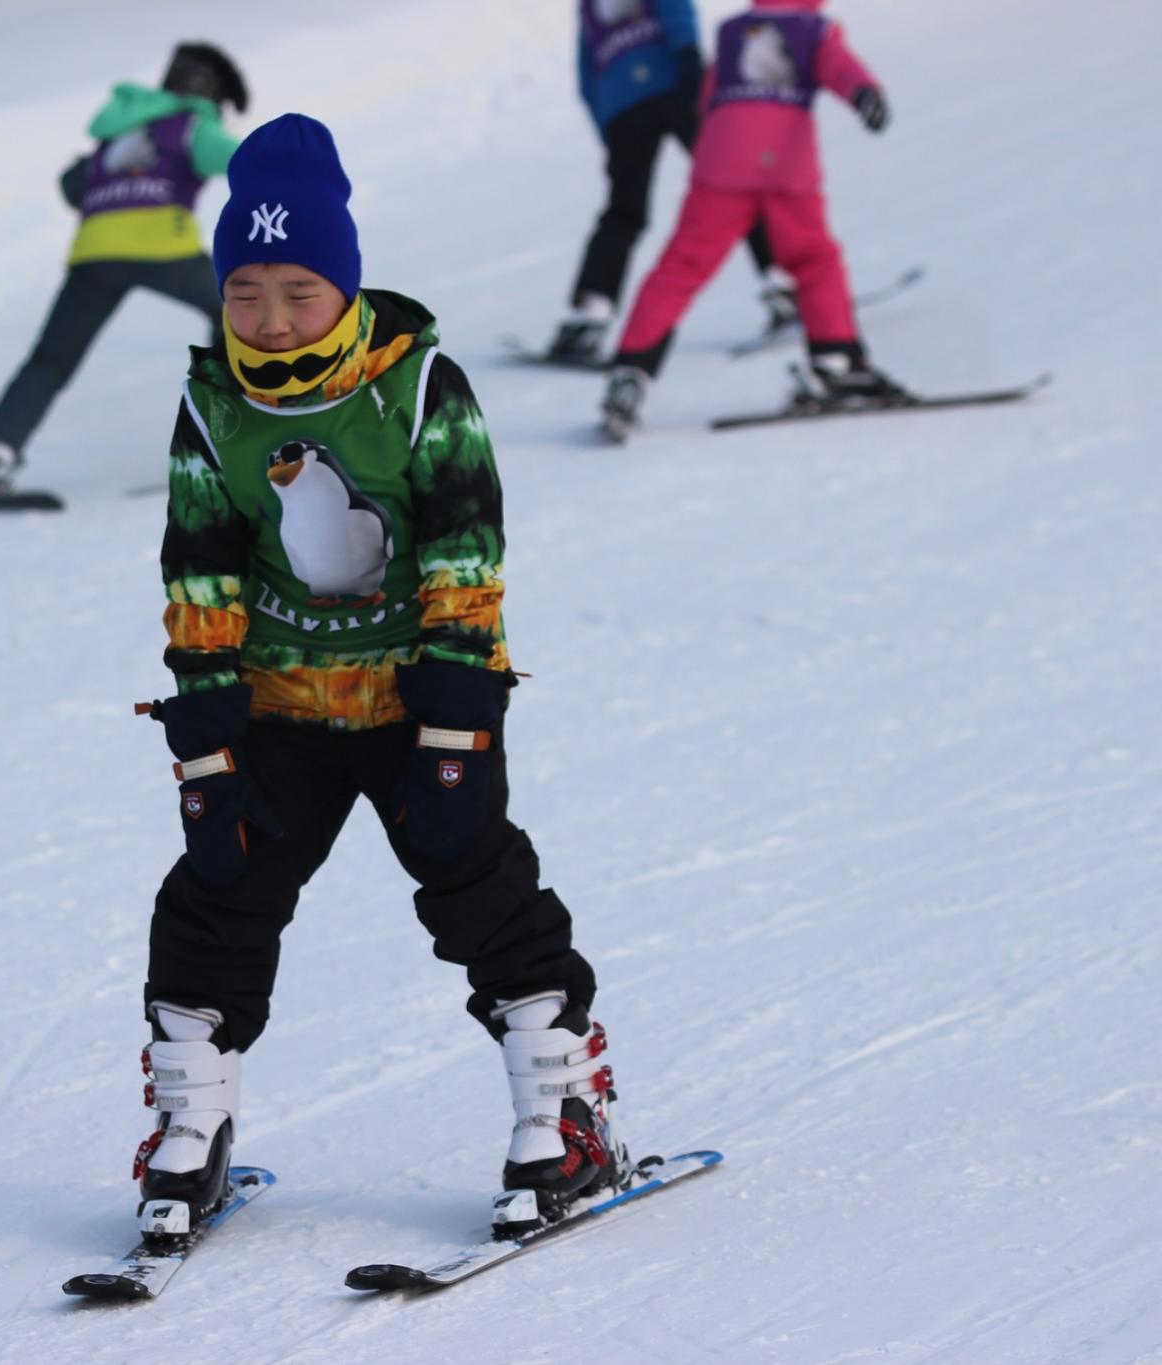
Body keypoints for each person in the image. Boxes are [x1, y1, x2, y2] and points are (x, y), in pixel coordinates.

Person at [131, 113, 623, 1238]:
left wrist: (456, 705)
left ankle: (562, 1110)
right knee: (217, 893)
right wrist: (203, 715)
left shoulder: (418, 387)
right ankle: (190, 1125)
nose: (270, 318)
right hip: (280, 705)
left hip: (416, 699)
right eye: (245, 292)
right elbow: (199, 562)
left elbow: (464, 545)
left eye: (298, 292)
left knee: (475, 881)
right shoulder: (212, 405)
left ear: (345, 287)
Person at [0, 43, 248, 496]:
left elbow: (72, 186)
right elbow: (243, 161)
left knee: (49, 361)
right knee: (238, 309)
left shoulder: (118, 131)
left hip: (94, 253)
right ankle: (232, 439)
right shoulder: (192, 125)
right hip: (165, 248)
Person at [601, 0, 894, 439]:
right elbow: (839, 67)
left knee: (680, 267)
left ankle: (630, 373)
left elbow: (707, 97)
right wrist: (864, 93)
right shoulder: (815, 29)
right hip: (785, 166)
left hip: (720, 164)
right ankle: (835, 361)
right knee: (813, 258)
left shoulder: (732, 30)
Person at [547, 0, 792, 365]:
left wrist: (607, 125)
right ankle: (784, 285)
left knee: (623, 211)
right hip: (674, 82)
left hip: (623, 107)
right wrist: (688, 54)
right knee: (736, 185)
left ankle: (589, 315)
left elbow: (586, 71)